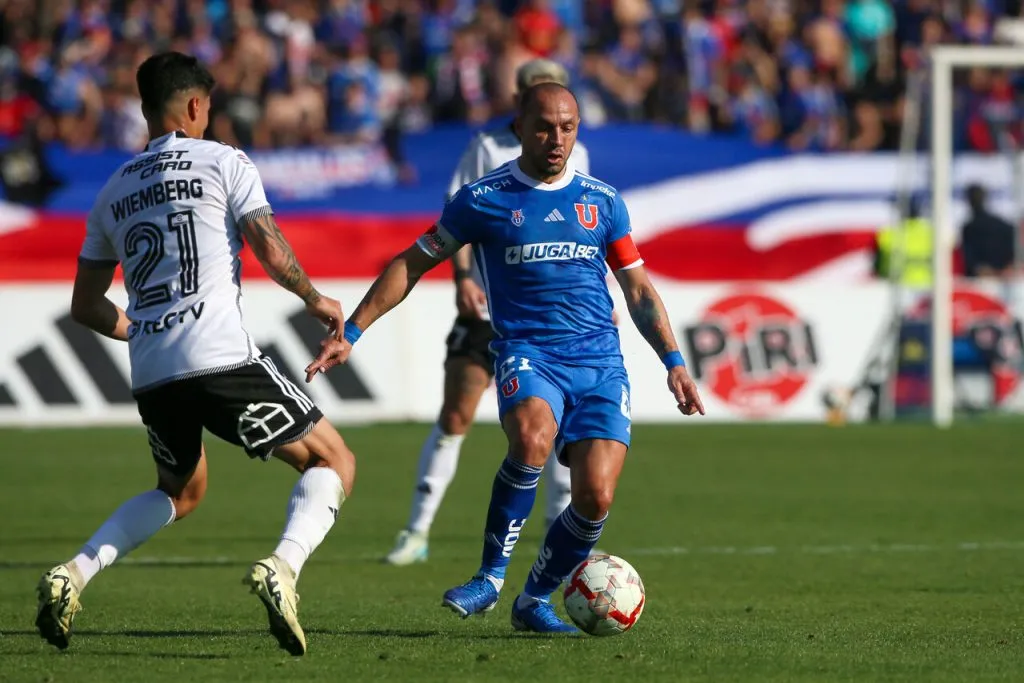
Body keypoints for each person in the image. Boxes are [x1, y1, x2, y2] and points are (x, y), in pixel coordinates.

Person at [305, 82, 705, 633]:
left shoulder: (603, 202)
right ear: (518, 127)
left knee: (596, 496)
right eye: (544, 126)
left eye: (567, 128)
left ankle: (533, 599)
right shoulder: (483, 199)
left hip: (600, 363)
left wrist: (674, 361)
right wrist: (352, 329)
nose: (556, 139)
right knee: (532, 440)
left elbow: (637, 290)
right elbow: (411, 263)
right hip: (528, 353)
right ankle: (490, 579)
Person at [34, 52, 356, 657]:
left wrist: (144, 330)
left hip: (153, 370)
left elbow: (85, 305)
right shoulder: (224, 161)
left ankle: (73, 573)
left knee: (181, 490)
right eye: (207, 107)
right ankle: (282, 570)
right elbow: (266, 243)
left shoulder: (113, 191)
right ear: (193, 106)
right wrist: (312, 296)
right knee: (334, 461)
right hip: (219, 356)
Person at [383, 58, 592, 566]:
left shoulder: (576, 152)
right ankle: (416, 530)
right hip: (490, 307)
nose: (553, 129)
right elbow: (456, 213)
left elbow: (585, 228)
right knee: (456, 414)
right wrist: (461, 278)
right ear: (521, 107)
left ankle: (555, 540)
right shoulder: (486, 149)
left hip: (558, 318)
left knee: (563, 430)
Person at [961, 184, 1015, 278]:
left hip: (983, 279)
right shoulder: (1003, 225)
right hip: (999, 277)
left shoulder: (969, 228)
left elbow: (969, 260)